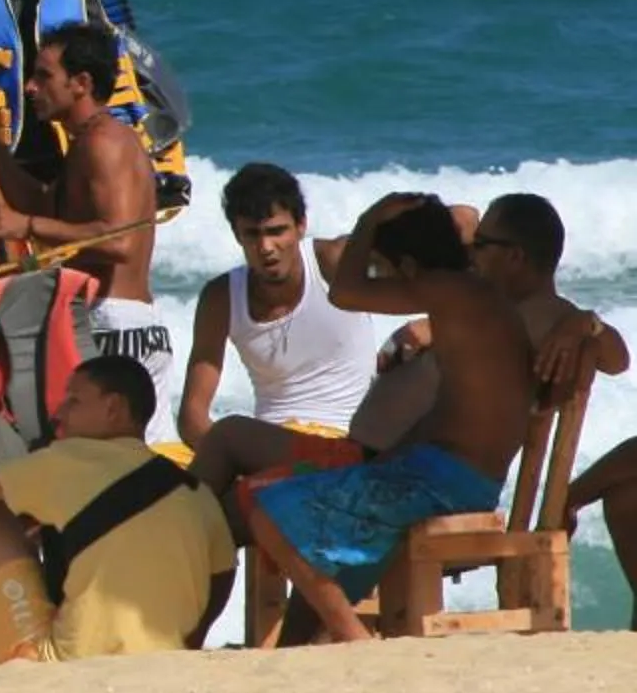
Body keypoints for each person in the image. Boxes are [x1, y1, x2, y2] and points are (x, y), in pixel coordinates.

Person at [248, 193, 535, 645]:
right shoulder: (474, 298)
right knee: (326, 537)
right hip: (456, 478)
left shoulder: (449, 290)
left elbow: (344, 291)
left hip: (446, 487)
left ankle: (353, 637)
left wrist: (368, 220)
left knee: (266, 510)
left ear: (405, 265)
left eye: (383, 267)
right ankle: (296, 646)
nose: (381, 278)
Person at [0, 355, 236, 667]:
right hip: (166, 657)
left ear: (113, 409)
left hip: (63, 662)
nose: (59, 412)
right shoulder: (195, 490)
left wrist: (21, 522)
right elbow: (222, 577)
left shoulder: (66, 461)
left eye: (74, 401)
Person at [0, 22, 176, 441]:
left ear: (81, 83)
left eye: (43, 76)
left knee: (109, 475)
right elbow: (42, 205)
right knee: (138, 469)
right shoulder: (89, 142)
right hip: (129, 323)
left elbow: (121, 240)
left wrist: (28, 227)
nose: (31, 88)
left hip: (115, 326)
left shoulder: (104, 143)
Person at [352, 192, 628, 452]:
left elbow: (618, 361)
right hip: (381, 464)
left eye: (480, 244)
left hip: (403, 476)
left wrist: (586, 323)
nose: (471, 254)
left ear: (515, 257)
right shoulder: (491, 304)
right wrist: (429, 328)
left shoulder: (553, 317)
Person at [179, 163, 393, 495]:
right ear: (237, 234)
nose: (265, 247)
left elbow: (441, 275)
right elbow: (192, 415)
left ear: (301, 226)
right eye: (252, 234)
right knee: (147, 472)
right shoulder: (222, 297)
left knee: (233, 441)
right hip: (265, 448)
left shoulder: (335, 262)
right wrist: (234, 468)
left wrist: (425, 327)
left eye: (277, 231)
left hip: (344, 441)